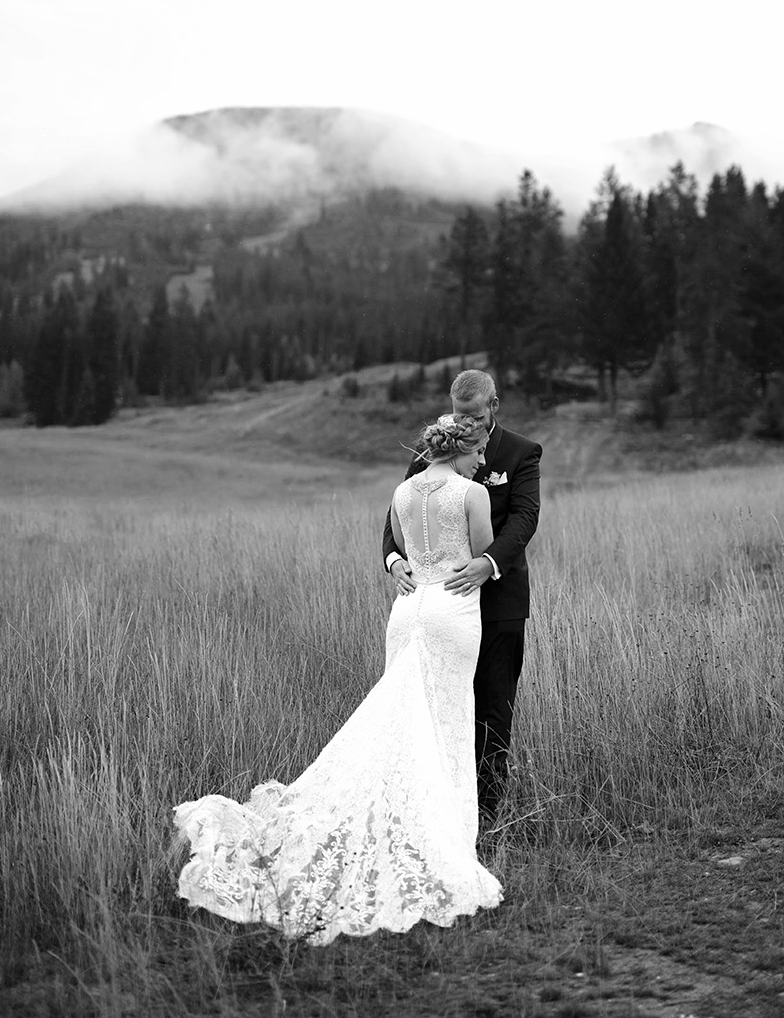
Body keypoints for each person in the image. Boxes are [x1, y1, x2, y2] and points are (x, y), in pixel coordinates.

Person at [174, 414, 502, 945]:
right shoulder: (473, 494)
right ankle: (447, 842)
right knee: (448, 722)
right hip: (453, 612)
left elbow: (403, 550)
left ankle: (410, 830)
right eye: (479, 451)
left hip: (407, 612)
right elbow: (480, 552)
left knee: (406, 727)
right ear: (462, 449)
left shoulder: (402, 493)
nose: (483, 461)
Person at [383, 369, 542, 819]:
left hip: (499, 600)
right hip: (440, 607)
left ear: (494, 406)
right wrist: (394, 560)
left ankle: (486, 810)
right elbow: (399, 510)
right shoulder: (430, 452)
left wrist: (487, 563)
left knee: (492, 707)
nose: (465, 423)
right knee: (436, 705)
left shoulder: (521, 452)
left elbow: (525, 518)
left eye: (473, 415)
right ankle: (435, 805)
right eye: (458, 414)